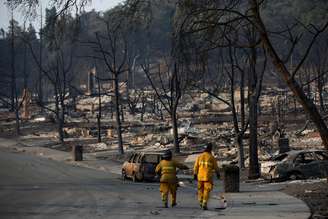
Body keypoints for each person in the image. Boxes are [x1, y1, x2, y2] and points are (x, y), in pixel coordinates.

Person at [193, 143, 220, 210]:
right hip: (208, 177)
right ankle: (204, 202)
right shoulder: (211, 157)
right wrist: (218, 174)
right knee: (206, 190)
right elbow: (216, 167)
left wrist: (195, 174)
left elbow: (196, 166)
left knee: (200, 189)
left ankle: (200, 200)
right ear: (210, 149)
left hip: (200, 176)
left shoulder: (199, 156)